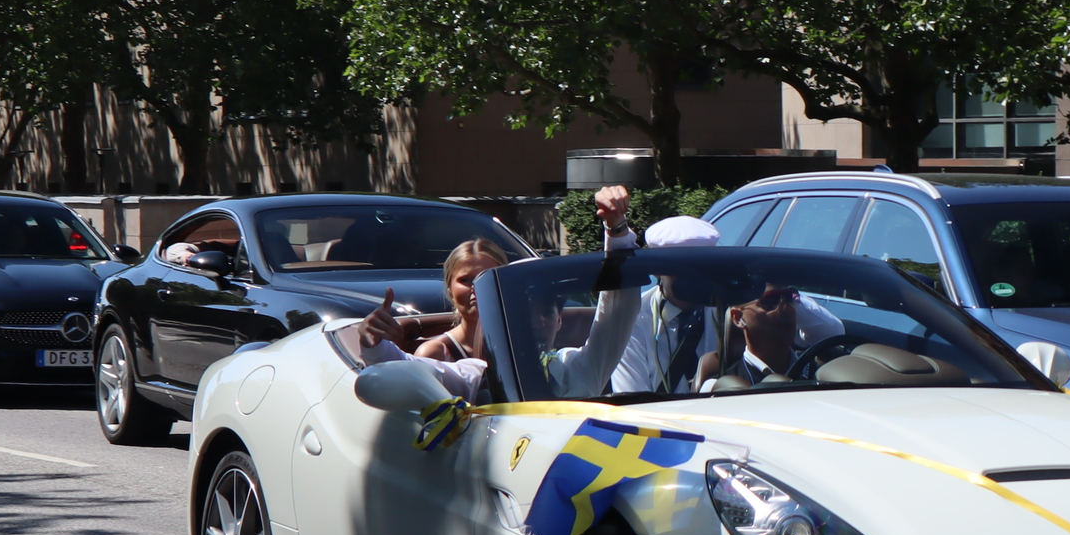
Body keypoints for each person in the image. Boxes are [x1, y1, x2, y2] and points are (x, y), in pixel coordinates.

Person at [357, 185, 640, 400]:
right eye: (524, 310)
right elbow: (415, 369)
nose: (536, 321)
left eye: (546, 310)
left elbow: (617, 314)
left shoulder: (575, 368)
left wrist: (616, 231)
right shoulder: (477, 374)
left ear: (560, 320)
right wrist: (374, 343)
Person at [610, 214, 840, 395]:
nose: (695, 277)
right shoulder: (632, 320)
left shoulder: (732, 300)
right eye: (683, 268)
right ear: (656, 269)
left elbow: (831, 332)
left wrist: (774, 291)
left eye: (703, 267)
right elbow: (631, 397)